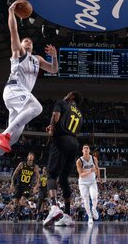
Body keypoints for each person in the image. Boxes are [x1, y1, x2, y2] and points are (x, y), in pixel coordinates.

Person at [0, 0, 58, 190]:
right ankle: (3, 135)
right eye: (24, 40)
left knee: (14, 137)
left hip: (20, 97)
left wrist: (54, 55)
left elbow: (53, 70)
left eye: (30, 40)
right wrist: (11, 11)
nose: (27, 41)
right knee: (37, 107)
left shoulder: (37, 59)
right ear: (20, 44)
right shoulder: (18, 53)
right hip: (13, 90)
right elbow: (13, 31)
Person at [43, 91, 84, 227]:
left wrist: (52, 130)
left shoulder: (62, 103)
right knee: (64, 179)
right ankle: (67, 215)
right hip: (74, 143)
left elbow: (55, 116)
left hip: (61, 140)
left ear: (71, 96)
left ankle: (54, 207)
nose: (65, 95)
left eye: (68, 94)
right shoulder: (80, 114)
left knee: (51, 175)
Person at [10, 152, 40, 222]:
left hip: (27, 186)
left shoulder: (35, 167)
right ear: (27, 157)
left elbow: (39, 177)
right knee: (16, 201)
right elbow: (14, 174)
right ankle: (15, 215)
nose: (31, 157)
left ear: (33, 158)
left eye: (32, 156)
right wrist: (12, 183)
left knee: (22, 200)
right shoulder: (22, 164)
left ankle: (17, 215)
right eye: (30, 155)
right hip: (19, 185)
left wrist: (36, 186)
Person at [76, 144, 101, 224]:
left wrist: (99, 178)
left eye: (87, 148)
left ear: (89, 150)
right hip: (83, 183)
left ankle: (94, 208)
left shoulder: (94, 159)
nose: (86, 149)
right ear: (82, 151)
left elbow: (97, 169)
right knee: (86, 200)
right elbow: (81, 174)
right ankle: (90, 217)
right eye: (84, 148)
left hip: (92, 181)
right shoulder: (79, 161)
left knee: (94, 197)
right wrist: (90, 171)